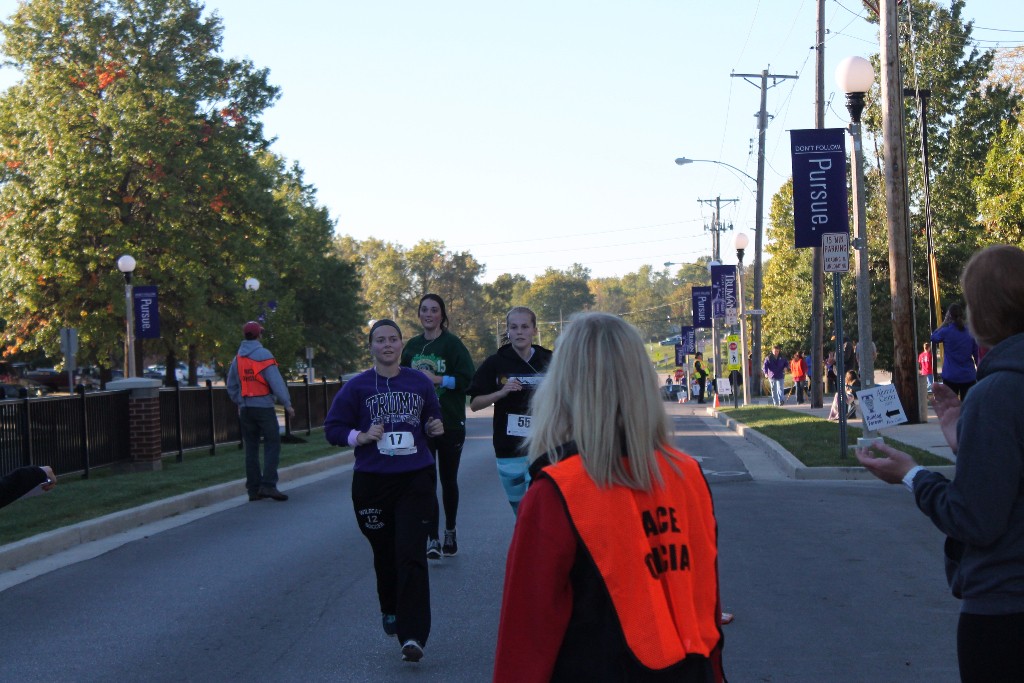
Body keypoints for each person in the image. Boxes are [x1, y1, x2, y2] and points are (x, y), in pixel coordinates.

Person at [493, 312, 725, 682]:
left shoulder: (556, 491)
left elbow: (526, 640)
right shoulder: (687, 475)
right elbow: (705, 600)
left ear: (562, 387)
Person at [856, 244, 1024, 682]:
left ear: (984, 312)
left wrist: (911, 475)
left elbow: (975, 518)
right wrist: (966, 443)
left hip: (1005, 611)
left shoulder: (996, 395)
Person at [324, 319, 444, 664]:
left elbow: (433, 418)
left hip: (415, 478)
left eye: (393, 339)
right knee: (385, 552)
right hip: (372, 482)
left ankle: (413, 634)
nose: (387, 345)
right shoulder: (357, 387)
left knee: (411, 553)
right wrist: (359, 437)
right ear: (371, 347)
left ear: (402, 344)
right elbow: (332, 428)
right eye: (380, 340)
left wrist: (435, 426)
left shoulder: (419, 382)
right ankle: (390, 607)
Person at [400, 293, 474, 559]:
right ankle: (432, 537)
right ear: (419, 314)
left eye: (434, 310)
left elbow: (469, 380)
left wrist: (439, 380)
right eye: (424, 310)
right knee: (426, 481)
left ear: (442, 315)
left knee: (448, 480)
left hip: (450, 421)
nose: (428, 314)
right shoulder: (412, 346)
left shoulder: (452, 345)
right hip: (421, 424)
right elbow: (401, 379)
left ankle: (450, 531)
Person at [468, 306, 553, 515]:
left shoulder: (549, 360)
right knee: (520, 510)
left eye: (525, 327)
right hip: (509, 449)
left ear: (534, 330)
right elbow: (475, 404)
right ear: (508, 331)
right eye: (514, 327)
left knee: (540, 507)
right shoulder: (495, 363)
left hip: (542, 447)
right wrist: (501, 393)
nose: (519, 332)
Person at [226, 321, 295, 502]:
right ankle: (269, 485)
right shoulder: (264, 355)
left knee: (251, 448)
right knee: (273, 443)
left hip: (246, 410)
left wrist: (241, 401)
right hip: (264, 408)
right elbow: (276, 381)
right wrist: (287, 403)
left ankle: (253, 490)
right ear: (258, 335)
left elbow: (231, 385)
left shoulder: (238, 359)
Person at [931, 302, 979, 401]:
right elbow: (976, 354)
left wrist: (944, 323)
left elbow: (933, 337)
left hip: (951, 376)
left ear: (950, 316)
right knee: (967, 406)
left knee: (950, 407)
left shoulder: (946, 332)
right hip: (968, 376)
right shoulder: (970, 332)